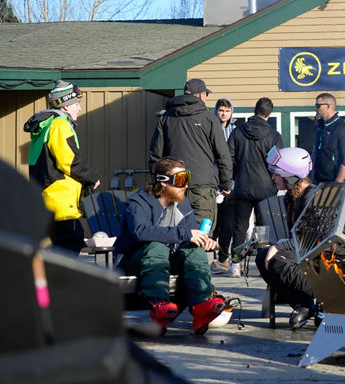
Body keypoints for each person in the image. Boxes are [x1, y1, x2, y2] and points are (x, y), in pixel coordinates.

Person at [114, 157, 225, 335]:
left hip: (163, 261)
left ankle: (201, 305)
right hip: (133, 262)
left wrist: (204, 240)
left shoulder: (183, 203)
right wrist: (187, 234)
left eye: (187, 179)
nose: (185, 186)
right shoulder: (139, 202)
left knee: (193, 250)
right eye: (180, 181)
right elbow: (141, 232)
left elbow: (189, 234)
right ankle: (159, 304)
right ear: (163, 182)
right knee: (156, 246)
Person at [24, 80, 100, 254]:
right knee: (70, 242)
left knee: (61, 245)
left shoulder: (45, 126)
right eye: (77, 104)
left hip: (49, 198)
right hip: (61, 201)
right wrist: (92, 176)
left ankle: (53, 280)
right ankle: (60, 281)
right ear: (65, 106)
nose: (80, 108)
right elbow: (69, 160)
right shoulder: (60, 124)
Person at [149, 78, 233, 230]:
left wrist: (158, 182)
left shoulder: (167, 118)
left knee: (174, 230)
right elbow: (223, 155)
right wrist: (226, 183)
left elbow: (156, 155)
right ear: (201, 95)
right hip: (202, 183)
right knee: (203, 232)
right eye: (206, 94)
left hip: (175, 182)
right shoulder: (209, 118)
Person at [255, 145, 322, 330]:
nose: (273, 178)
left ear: (292, 176)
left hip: (317, 253)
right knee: (262, 257)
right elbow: (293, 235)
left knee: (277, 261)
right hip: (302, 250)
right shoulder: (291, 197)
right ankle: (303, 305)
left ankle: (325, 296)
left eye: (277, 174)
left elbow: (309, 238)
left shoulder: (311, 197)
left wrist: (277, 248)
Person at [227, 97, 283, 277]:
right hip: (266, 187)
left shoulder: (237, 132)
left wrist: (231, 178)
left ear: (254, 109)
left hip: (243, 185)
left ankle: (235, 264)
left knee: (240, 227)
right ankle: (263, 263)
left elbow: (229, 158)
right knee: (264, 227)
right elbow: (277, 163)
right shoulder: (274, 135)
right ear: (270, 114)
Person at [210, 98, 236, 273]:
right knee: (212, 221)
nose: (224, 113)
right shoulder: (210, 127)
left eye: (227, 110)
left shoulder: (234, 131)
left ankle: (223, 257)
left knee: (227, 222)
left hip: (229, 182)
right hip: (212, 180)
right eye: (221, 110)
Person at [312, 93, 345, 184]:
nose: (315, 108)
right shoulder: (320, 127)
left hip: (334, 182)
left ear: (328, 106)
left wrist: (337, 184)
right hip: (318, 182)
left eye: (318, 105)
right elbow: (315, 155)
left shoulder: (342, 129)